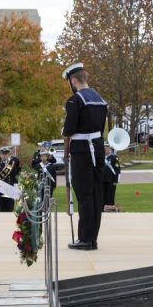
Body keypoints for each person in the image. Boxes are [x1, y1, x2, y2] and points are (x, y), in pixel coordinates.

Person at [62, 62, 108, 251]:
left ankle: (85, 239)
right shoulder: (99, 98)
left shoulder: (75, 100)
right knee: (96, 193)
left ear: (73, 80)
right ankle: (92, 237)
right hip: (97, 148)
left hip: (82, 150)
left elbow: (69, 130)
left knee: (84, 194)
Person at [0, 146, 20, 212]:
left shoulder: (12, 164)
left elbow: (14, 176)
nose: (4, 156)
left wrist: (16, 188)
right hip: (0, 189)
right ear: (0, 155)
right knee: (0, 209)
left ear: (8, 155)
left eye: (6, 154)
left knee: (9, 209)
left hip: (9, 189)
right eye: (2, 154)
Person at [102, 145, 121, 212]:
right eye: (104, 149)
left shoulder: (114, 158)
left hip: (111, 180)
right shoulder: (101, 158)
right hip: (102, 179)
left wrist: (116, 180)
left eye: (106, 148)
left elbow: (117, 169)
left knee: (110, 194)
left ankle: (110, 207)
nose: (105, 150)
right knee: (102, 194)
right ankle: (102, 207)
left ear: (109, 149)